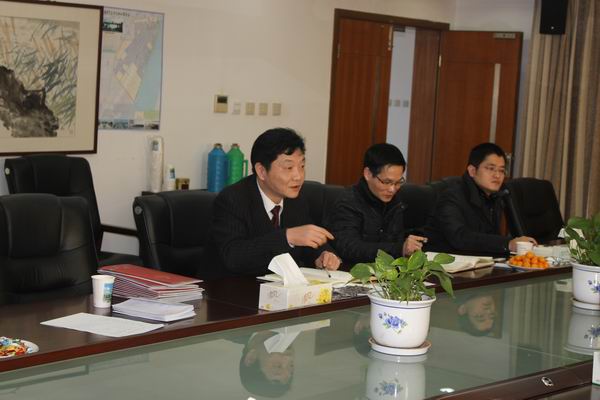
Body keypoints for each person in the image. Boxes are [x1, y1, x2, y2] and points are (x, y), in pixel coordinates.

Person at [212, 128, 340, 276]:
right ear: (261, 171)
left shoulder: (296, 199)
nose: (298, 176)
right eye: (289, 167)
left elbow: (306, 241)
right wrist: (287, 237)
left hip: (278, 286)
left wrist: (323, 255)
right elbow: (233, 256)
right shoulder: (232, 199)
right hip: (229, 286)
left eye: (302, 166)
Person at [426, 142, 537, 255]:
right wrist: (507, 244)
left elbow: (490, 238)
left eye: (501, 170)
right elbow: (459, 237)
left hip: (478, 260)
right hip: (445, 261)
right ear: (472, 171)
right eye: (491, 169)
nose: (497, 175)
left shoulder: (495, 196)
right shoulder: (450, 197)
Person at [329, 143, 427, 265]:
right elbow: (349, 248)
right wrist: (398, 249)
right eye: (386, 182)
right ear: (368, 174)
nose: (392, 189)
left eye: (398, 182)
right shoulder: (348, 202)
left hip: (387, 271)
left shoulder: (396, 202)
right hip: (354, 271)